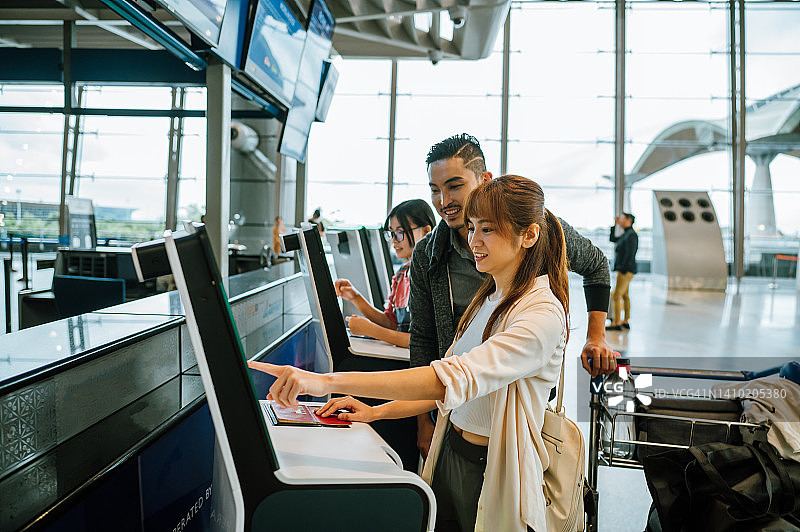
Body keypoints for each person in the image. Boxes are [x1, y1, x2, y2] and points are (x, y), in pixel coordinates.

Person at [249, 175, 569, 532]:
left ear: (528, 235)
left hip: (492, 466)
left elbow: (444, 379)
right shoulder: (489, 297)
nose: (474, 241)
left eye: (488, 230)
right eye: (473, 228)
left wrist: (324, 381)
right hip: (451, 451)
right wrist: (376, 412)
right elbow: (449, 388)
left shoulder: (541, 314)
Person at [410, 133, 615, 458]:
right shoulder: (428, 255)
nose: (443, 201)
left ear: (484, 180)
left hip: (520, 408)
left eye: (454, 185)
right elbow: (423, 337)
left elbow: (597, 266)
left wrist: (596, 336)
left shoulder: (535, 228)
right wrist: (423, 421)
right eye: (435, 190)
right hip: (457, 404)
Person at [334, 199, 435, 348]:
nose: (393, 240)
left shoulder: (433, 274)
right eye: (391, 233)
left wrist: (372, 331)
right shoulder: (402, 273)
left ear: (426, 231)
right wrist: (355, 297)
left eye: (400, 232)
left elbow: (422, 341)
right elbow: (392, 324)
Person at [607, 212, 638, 331]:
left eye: (623, 219)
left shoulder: (631, 235)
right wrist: (615, 225)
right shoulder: (627, 234)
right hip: (626, 269)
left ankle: (617, 322)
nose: (621, 220)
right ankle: (625, 320)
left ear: (629, 220)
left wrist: (623, 269)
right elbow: (613, 239)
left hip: (625, 270)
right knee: (625, 295)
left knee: (616, 295)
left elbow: (630, 254)